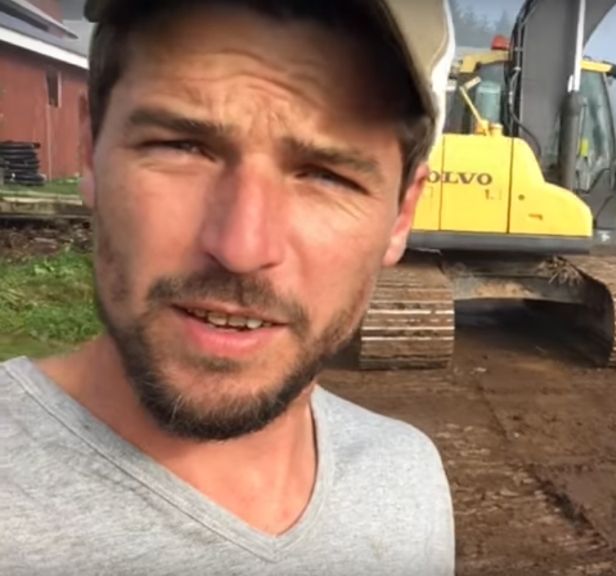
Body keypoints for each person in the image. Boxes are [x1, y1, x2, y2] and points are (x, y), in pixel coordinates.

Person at [0, 0, 457, 574]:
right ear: (90, 151)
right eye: (181, 146)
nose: (241, 248)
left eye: (325, 175)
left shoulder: (407, 482)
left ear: (400, 216)